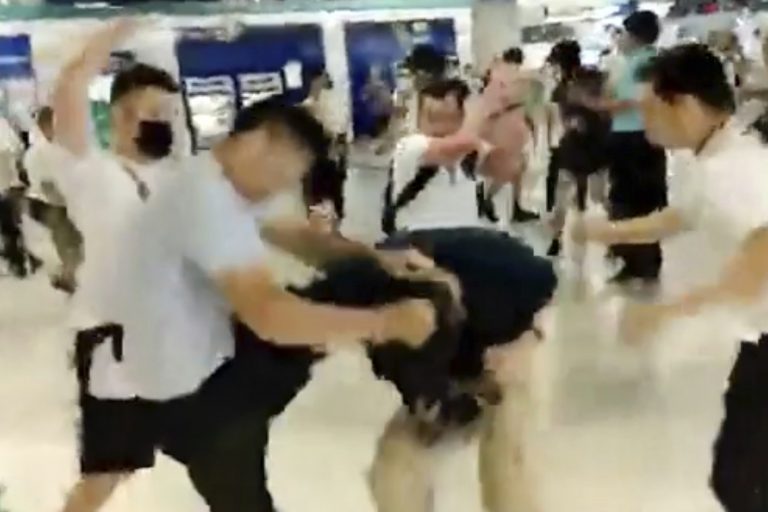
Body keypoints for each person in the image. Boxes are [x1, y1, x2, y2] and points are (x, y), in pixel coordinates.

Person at [572, 44, 768, 512]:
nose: (644, 121)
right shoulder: (719, 154)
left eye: (649, 108)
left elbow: (762, 251)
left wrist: (665, 313)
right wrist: (606, 231)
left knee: (740, 480)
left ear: (684, 103)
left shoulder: (730, 169)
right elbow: (680, 216)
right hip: (759, 334)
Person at [377, 77, 557, 512]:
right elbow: (453, 146)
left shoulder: (468, 164)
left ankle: (466, 390)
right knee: (419, 426)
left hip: (476, 274)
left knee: (504, 416)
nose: (439, 123)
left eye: (450, 114)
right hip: (429, 270)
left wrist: (513, 115)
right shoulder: (411, 149)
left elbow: (507, 167)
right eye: (431, 113)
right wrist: (481, 111)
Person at [48, 20, 186, 512]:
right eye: (153, 113)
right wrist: (124, 22)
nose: (164, 123)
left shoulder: (169, 180)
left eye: (170, 113)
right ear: (120, 114)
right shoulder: (90, 169)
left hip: (164, 341)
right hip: (112, 339)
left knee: (129, 461)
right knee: (107, 469)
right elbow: (71, 83)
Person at [577, 10, 667, 285]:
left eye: (625, 33)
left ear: (635, 36)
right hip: (634, 136)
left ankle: (639, 262)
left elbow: (635, 100)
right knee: (637, 198)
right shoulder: (637, 61)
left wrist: (595, 105)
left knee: (631, 199)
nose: (621, 38)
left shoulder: (645, 62)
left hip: (635, 137)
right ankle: (639, 260)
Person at [545, 40, 611, 256]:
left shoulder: (567, 86)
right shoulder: (592, 78)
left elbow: (561, 118)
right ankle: (615, 240)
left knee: (576, 194)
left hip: (581, 144)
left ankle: (556, 239)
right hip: (589, 144)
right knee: (595, 194)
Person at [22, 106, 83, 293]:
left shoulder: (62, 148)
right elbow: (45, 185)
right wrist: (64, 201)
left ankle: (67, 277)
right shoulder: (36, 153)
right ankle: (67, 278)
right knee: (66, 243)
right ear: (45, 126)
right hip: (49, 205)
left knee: (74, 244)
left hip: (63, 204)